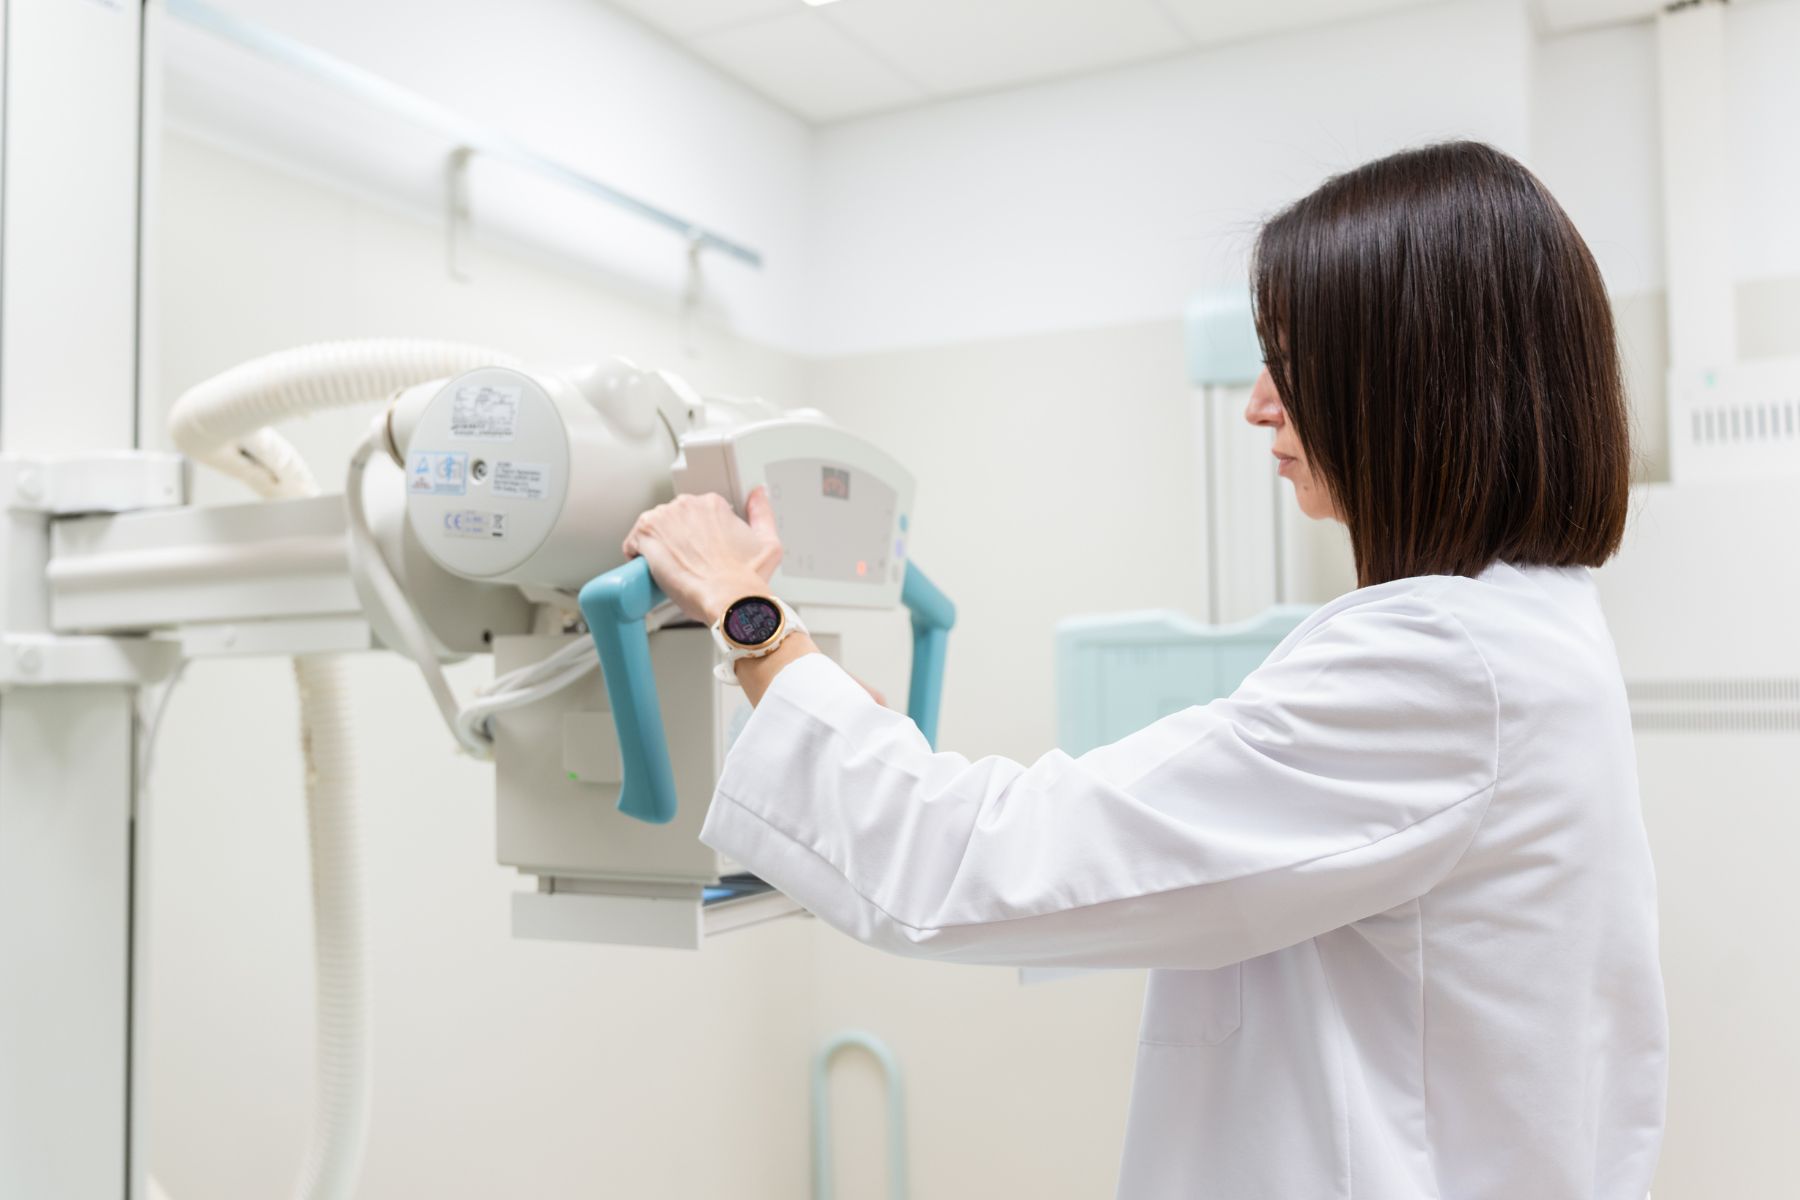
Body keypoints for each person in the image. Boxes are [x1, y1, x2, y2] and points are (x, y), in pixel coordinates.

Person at [621, 141, 1667, 1199]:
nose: (1259, 403)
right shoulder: (1531, 637)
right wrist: (823, 714)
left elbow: (978, 864)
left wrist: (749, 614)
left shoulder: (1445, 667)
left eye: (1292, 361)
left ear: (1411, 383)